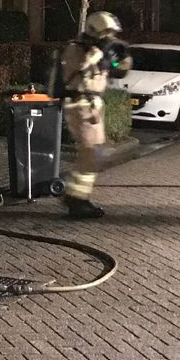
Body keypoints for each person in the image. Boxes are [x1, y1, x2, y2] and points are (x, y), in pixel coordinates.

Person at [60, 11, 132, 219]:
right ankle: (76, 200)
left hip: (93, 105)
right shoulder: (77, 49)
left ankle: (76, 195)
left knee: (94, 153)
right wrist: (98, 53)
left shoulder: (102, 50)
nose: (110, 37)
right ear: (95, 31)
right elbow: (79, 66)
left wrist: (120, 61)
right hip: (80, 104)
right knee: (91, 153)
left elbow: (117, 69)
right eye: (106, 33)